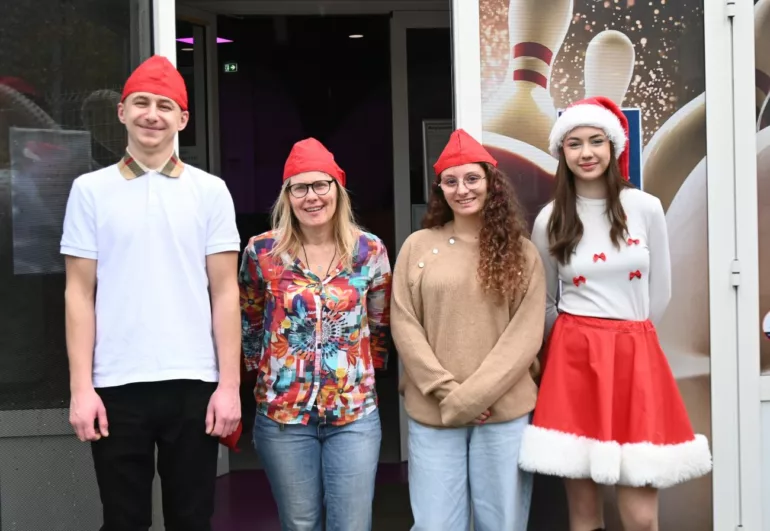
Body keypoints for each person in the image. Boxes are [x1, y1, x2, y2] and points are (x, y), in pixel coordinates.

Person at [60, 55, 242, 531]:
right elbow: (78, 294)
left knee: (192, 519)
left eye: (165, 105)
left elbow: (225, 294)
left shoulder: (210, 192)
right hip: (116, 384)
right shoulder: (89, 190)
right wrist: (82, 389)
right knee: (123, 521)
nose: (152, 114)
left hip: (194, 383)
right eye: (141, 103)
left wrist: (229, 386)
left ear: (182, 119)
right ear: (121, 111)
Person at [518, 96, 713, 531]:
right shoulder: (550, 218)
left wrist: (629, 341)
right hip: (574, 363)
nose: (586, 153)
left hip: (635, 357)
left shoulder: (645, 207)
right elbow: (545, 301)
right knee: (585, 514)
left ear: (613, 147)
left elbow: (659, 291)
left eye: (595, 141)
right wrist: (575, 340)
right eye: (574, 144)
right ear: (561, 153)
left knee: (641, 516)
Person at [391, 129, 545, 531]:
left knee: (503, 522)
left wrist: (473, 397)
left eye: (472, 179)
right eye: (451, 181)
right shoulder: (418, 247)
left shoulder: (522, 251)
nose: (463, 189)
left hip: (504, 412)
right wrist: (449, 394)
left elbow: (525, 336)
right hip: (434, 411)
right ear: (439, 189)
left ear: (491, 183)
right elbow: (404, 325)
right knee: (436, 523)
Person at [239, 137, 392, 531]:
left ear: (337, 190)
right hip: (283, 416)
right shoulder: (262, 253)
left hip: (353, 414)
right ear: (287, 196)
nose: (312, 197)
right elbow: (251, 318)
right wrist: (262, 372)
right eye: (300, 187)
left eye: (320, 185)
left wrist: (363, 376)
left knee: (352, 524)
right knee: (300, 523)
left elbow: (379, 324)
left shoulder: (369, 251)